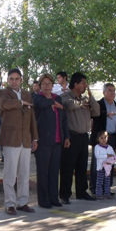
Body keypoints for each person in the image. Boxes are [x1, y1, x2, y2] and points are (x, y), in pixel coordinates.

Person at [0, 68, 39, 215]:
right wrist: (20, 102)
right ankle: (9, 203)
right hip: (10, 139)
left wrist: (34, 137)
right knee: (10, 173)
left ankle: (22, 202)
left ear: (21, 80)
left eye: (17, 78)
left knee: (24, 173)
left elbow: (32, 117)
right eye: (11, 79)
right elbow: (3, 104)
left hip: (25, 139)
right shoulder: (2, 93)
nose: (14, 81)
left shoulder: (27, 94)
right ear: (7, 80)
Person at [60, 72, 100, 203]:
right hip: (71, 136)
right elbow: (68, 105)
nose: (85, 85)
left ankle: (82, 191)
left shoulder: (85, 98)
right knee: (67, 166)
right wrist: (79, 104)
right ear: (76, 84)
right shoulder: (65, 95)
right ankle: (65, 194)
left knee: (82, 166)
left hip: (84, 136)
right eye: (83, 83)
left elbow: (96, 111)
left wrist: (89, 94)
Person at [32, 73, 70, 208]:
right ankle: (44, 200)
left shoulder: (57, 98)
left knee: (54, 171)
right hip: (43, 141)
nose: (47, 86)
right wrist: (52, 103)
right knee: (43, 171)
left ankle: (54, 198)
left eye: (49, 83)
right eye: (44, 84)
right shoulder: (37, 97)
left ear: (53, 85)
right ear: (40, 86)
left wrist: (67, 136)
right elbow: (39, 104)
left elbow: (63, 119)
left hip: (58, 140)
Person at [90, 83, 116, 193]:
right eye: (109, 90)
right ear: (104, 92)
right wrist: (106, 114)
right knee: (98, 164)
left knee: (109, 163)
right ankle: (95, 188)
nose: (112, 93)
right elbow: (93, 116)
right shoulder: (99, 105)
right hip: (100, 139)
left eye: (114, 90)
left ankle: (107, 188)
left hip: (113, 139)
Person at [93, 131, 116, 199]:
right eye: (101, 138)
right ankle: (99, 194)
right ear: (98, 139)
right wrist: (107, 156)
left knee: (107, 181)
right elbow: (97, 156)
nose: (103, 139)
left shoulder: (110, 147)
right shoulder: (97, 147)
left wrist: (111, 161)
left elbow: (113, 156)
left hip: (108, 168)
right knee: (99, 181)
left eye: (105, 137)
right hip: (100, 167)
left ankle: (107, 193)